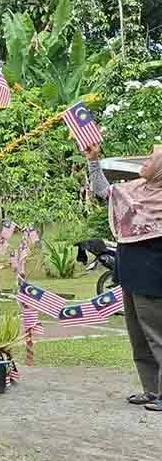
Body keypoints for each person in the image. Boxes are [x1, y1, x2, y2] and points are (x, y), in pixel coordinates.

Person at [85, 143, 162, 411]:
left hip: (153, 277)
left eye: (150, 159)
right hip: (129, 272)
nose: (144, 162)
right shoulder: (134, 190)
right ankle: (152, 390)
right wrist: (93, 160)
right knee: (138, 337)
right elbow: (102, 191)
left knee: (157, 336)